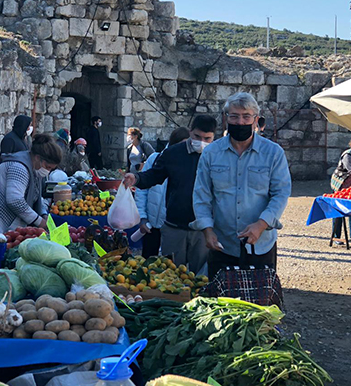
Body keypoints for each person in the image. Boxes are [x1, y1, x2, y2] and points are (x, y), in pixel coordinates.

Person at [193, 92, 292, 280]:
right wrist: (207, 229)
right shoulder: (211, 153)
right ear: (225, 119)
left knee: (259, 304)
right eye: (234, 116)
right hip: (222, 245)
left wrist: (261, 224)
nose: (240, 122)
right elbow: (201, 195)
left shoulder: (273, 153)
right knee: (220, 304)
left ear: (256, 120)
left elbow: (280, 193)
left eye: (246, 117)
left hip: (261, 245)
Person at [123, 115, 217, 272]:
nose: (202, 142)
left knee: (202, 279)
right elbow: (154, 175)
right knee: (170, 276)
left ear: (214, 137)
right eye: (197, 137)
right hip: (174, 227)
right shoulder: (173, 153)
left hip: (204, 230)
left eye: (207, 138)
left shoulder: (218, 155)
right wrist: (137, 178)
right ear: (190, 132)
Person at [0, 134, 62, 233]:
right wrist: (40, 221)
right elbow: (15, 200)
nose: (48, 171)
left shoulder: (34, 170)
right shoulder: (19, 168)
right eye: (47, 167)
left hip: (1, 225)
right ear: (38, 158)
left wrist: (43, 214)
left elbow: (36, 196)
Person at [134, 127, 191, 257]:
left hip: (173, 226)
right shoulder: (155, 159)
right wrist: (142, 217)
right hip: (152, 225)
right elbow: (142, 191)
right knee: (148, 263)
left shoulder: (190, 164)